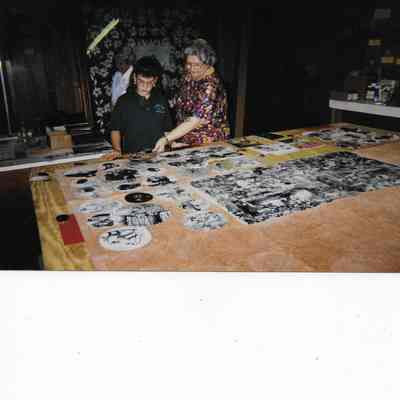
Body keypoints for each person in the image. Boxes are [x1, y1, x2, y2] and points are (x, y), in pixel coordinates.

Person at [153, 38, 230, 152]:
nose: (192, 69)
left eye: (197, 65)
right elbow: (178, 102)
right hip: (185, 138)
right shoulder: (188, 75)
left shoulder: (211, 86)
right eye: (189, 64)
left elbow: (195, 120)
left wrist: (168, 138)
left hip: (207, 143)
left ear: (208, 64)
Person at [107, 56, 173, 158]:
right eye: (141, 81)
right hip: (132, 156)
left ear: (155, 81)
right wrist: (117, 151)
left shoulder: (161, 99)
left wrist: (172, 144)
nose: (145, 86)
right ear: (134, 78)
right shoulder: (123, 101)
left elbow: (167, 129)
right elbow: (115, 129)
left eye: (149, 82)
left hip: (159, 154)